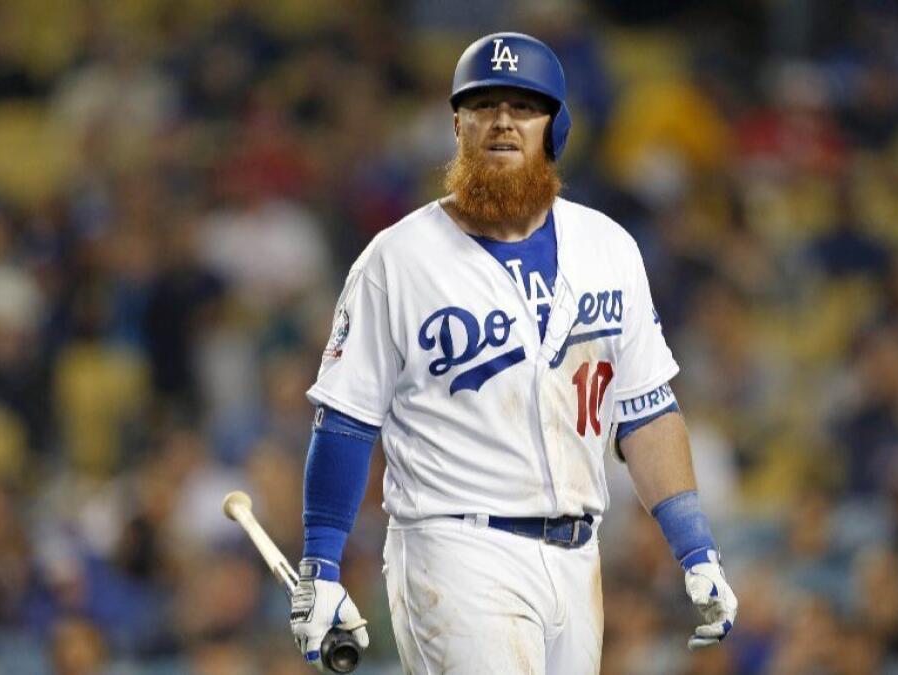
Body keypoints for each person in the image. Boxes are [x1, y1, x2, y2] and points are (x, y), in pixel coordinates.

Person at [288, 32, 738, 674]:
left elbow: (646, 410)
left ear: (555, 127)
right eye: (483, 105)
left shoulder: (608, 248)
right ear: (457, 126)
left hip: (579, 555)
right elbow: (346, 418)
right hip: (457, 546)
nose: (502, 121)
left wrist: (696, 548)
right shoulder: (399, 258)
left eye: (524, 106)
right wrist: (321, 564)